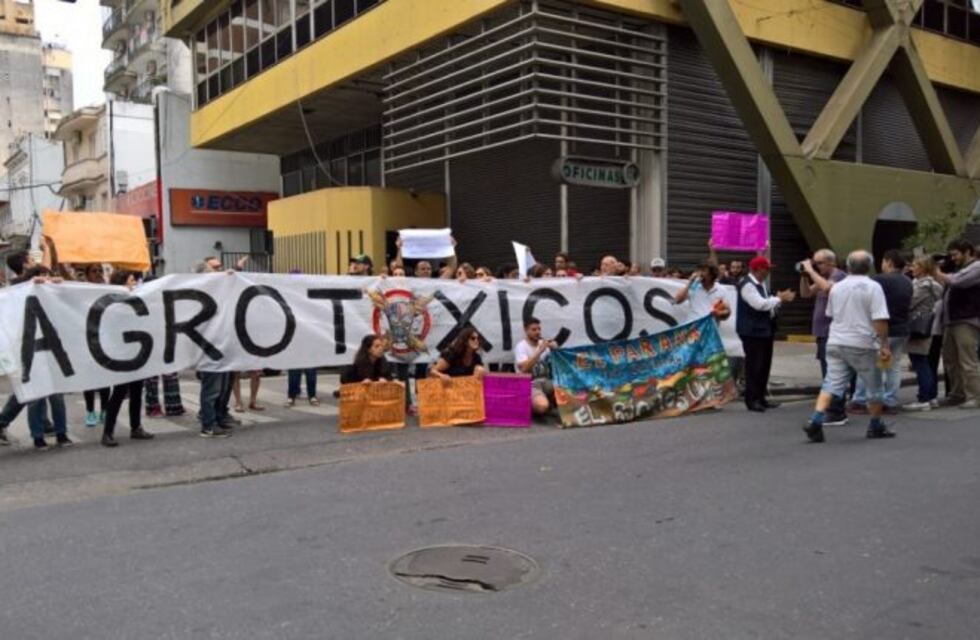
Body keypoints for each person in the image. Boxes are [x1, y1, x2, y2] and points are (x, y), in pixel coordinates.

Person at [804, 250, 895, 443]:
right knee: (875, 387)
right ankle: (875, 425)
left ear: (847, 267)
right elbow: (880, 319)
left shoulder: (836, 287)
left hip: (836, 340)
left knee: (831, 383)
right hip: (863, 343)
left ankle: (816, 419)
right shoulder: (873, 287)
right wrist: (885, 344)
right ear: (869, 267)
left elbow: (831, 313)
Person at [849, 250, 912, 414]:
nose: (881, 265)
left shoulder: (879, 280)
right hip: (901, 330)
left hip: (881, 330)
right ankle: (890, 400)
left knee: (868, 365)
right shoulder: (907, 281)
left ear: (889, 262)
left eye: (883, 262)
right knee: (893, 366)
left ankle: (860, 400)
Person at [100, 271, 154, 447]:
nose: (135, 283)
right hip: (121, 355)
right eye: (131, 280)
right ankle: (108, 432)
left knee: (137, 393)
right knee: (119, 393)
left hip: (136, 352)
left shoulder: (136, 300)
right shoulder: (114, 304)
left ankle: (136, 427)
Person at [736, 256, 796, 412]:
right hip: (752, 331)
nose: (769, 271)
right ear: (758, 269)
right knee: (754, 366)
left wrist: (777, 299)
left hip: (764, 329)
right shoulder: (747, 285)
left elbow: (767, 302)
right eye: (766, 268)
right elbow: (759, 305)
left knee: (764, 366)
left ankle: (761, 397)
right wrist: (778, 298)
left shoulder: (760, 284)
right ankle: (752, 400)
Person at [799, 249, 849, 425]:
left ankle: (837, 411)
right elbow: (806, 294)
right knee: (828, 372)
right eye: (815, 263)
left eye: (819, 263)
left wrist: (811, 271)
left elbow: (828, 288)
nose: (816, 266)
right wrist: (805, 276)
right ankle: (834, 409)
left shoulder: (840, 276)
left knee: (832, 373)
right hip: (822, 332)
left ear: (831, 262)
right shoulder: (821, 278)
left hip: (832, 332)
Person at [933, 238, 980, 408]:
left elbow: (957, 281)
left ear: (967, 252)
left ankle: (975, 396)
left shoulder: (976, 266)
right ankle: (957, 393)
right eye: (951, 255)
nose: (953, 258)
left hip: (966, 319)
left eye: (956, 254)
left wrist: (936, 271)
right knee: (950, 359)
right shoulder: (958, 268)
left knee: (967, 360)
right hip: (951, 320)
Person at [903, 255, 944, 411]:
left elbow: (910, 303)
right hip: (928, 326)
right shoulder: (929, 284)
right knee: (925, 362)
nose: (911, 268)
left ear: (924, 267)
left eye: (915, 266)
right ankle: (931, 396)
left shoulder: (924, 285)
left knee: (920, 362)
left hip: (918, 326)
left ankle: (924, 398)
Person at [80, 263, 111, 427]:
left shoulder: (108, 290)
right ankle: (90, 411)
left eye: (101, 270)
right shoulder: (80, 290)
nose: (98, 274)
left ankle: (105, 410)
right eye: (94, 271)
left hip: (104, 342)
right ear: (87, 274)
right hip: (86, 341)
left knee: (105, 378)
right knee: (89, 380)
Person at [515, 318, 558, 415]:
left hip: (547, 382)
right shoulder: (521, 346)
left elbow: (560, 364)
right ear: (526, 330)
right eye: (534, 330)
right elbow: (524, 369)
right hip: (531, 383)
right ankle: (531, 403)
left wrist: (556, 349)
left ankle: (550, 401)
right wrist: (539, 351)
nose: (537, 332)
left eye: (539, 329)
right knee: (542, 407)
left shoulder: (544, 344)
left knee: (569, 395)